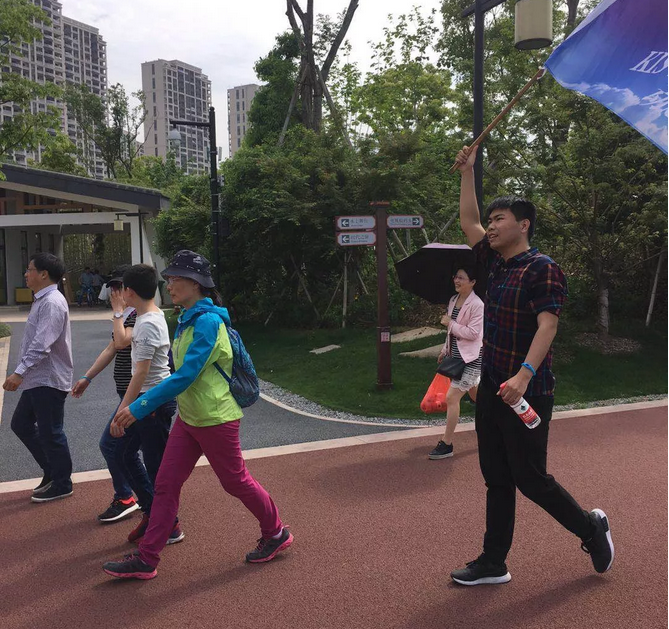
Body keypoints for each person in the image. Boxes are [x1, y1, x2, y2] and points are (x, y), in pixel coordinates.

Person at [449, 145, 614, 586]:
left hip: (528, 392)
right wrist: (467, 173)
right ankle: (493, 562)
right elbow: (468, 222)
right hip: (492, 387)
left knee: (531, 479)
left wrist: (524, 376)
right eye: (491, 220)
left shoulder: (542, 269)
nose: (491, 226)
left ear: (523, 225)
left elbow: (548, 325)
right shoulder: (495, 264)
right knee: (496, 478)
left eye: (499, 219)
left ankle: (590, 528)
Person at [102, 250, 292, 580]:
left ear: (195, 283)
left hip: (216, 419)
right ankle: (147, 558)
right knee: (165, 484)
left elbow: (185, 376)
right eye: (169, 279)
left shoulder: (207, 322)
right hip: (189, 419)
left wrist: (139, 407)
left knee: (236, 482)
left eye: (175, 279)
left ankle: (276, 532)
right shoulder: (187, 319)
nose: (169, 285)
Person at [105, 264, 181, 544]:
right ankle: (153, 513)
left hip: (153, 403)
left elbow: (141, 373)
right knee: (122, 454)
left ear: (129, 291)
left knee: (155, 467)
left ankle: (169, 525)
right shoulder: (146, 315)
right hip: (147, 402)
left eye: (121, 289)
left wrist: (123, 412)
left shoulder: (148, 322)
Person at [71, 266, 150, 523]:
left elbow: (122, 342)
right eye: (113, 287)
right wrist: (87, 378)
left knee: (113, 446)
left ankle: (134, 498)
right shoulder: (126, 315)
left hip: (139, 394)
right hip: (129, 393)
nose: (116, 292)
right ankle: (147, 500)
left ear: (131, 290)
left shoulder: (138, 315)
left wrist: (116, 313)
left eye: (120, 287)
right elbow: (110, 349)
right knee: (127, 450)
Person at [4, 253, 74, 503]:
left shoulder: (52, 302)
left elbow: (42, 345)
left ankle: (62, 483)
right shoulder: (43, 300)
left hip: (49, 378)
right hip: (39, 378)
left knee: (51, 432)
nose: (26, 274)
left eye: (29, 269)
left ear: (43, 274)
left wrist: (18, 372)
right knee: (21, 424)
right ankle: (53, 472)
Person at [429, 266, 483, 460]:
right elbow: (451, 333)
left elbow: (473, 334)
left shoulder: (477, 305)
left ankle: (447, 444)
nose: (456, 280)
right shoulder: (453, 300)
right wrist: (445, 350)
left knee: (452, 398)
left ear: (473, 282)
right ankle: (498, 423)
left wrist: (450, 323)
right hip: (456, 357)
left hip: (471, 358)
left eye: (461, 278)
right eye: (455, 277)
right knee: (479, 397)